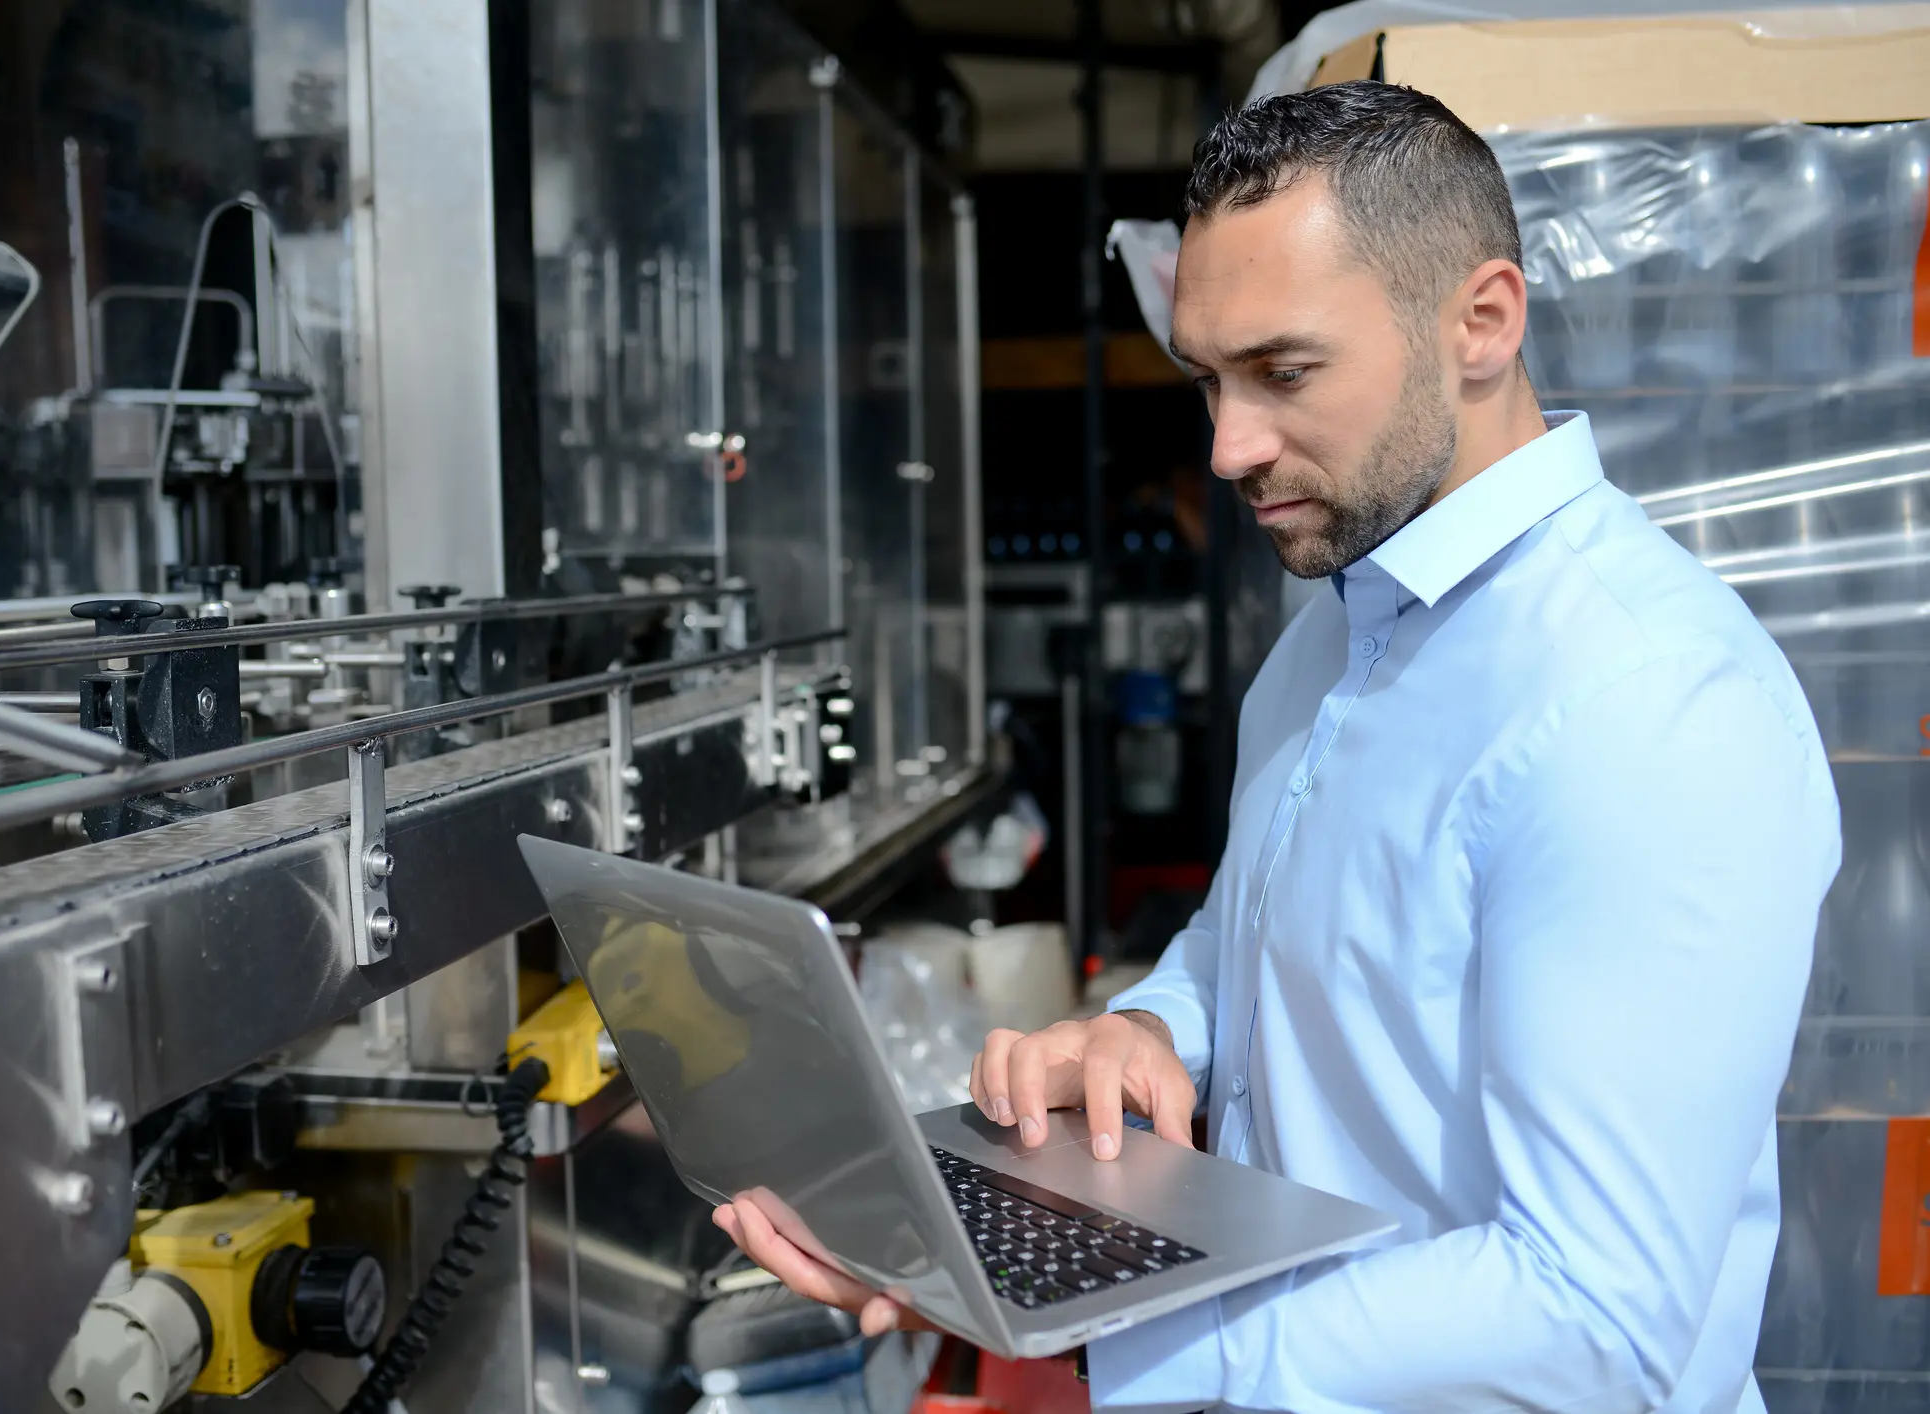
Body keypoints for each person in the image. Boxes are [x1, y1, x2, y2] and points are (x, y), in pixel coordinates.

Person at [715, 79, 1840, 1413]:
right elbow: (1285, 936)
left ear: (1480, 320)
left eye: (1282, 371)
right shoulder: (1337, 626)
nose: (1227, 445)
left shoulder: (1642, 708)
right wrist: (1153, 1028)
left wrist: (1076, 1319)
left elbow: (1591, 1313)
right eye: (1205, 377)